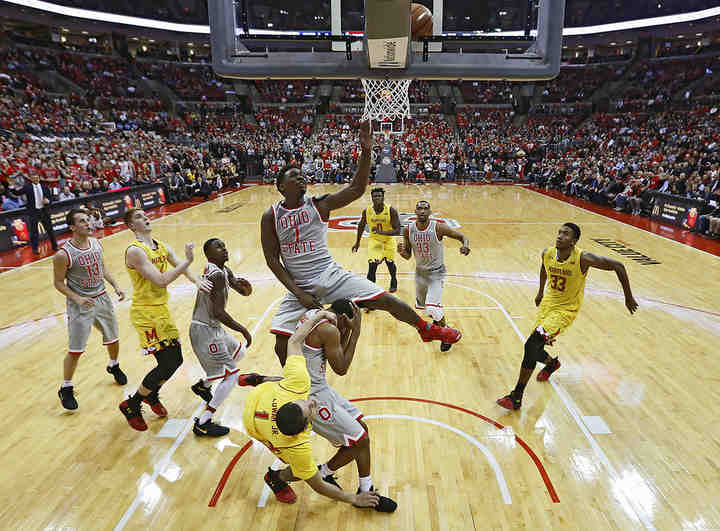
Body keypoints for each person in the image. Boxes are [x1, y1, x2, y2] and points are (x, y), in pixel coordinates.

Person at [261, 121, 461, 367]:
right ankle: (296, 383)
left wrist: (366, 151)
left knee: (386, 300)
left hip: (330, 275)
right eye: (295, 178)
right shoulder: (271, 216)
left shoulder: (318, 205)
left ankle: (425, 328)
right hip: (298, 286)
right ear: (280, 186)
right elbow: (272, 260)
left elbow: (356, 189)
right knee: (281, 345)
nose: (302, 180)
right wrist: (299, 293)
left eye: (303, 177)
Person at [242, 310, 396, 512]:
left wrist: (318, 315)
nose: (312, 403)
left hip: (262, 401)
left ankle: (352, 482)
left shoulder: (297, 384)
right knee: (352, 444)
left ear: (294, 401)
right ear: (306, 428)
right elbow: (318, 486)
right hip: (255, 425)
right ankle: (277, 477)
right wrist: (351, 499)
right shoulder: (297, 446)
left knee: (360, 432)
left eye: (305, 403)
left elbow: (294, 341)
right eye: (311, 410)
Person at [496, 222, 639, 410]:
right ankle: (552, 364)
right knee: (535, 347)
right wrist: (540, 292)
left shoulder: (583, 258)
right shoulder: (547, 253)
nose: (560, 236)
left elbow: (618, 266)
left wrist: (628, 297)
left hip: (566, 310)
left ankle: (516, 396)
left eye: (566, 234)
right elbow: (544, 267)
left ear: (574, 241)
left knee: (531, 344)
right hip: (548, 305)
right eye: (559, 232)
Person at [119, 208, 211, 431]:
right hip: (146, 314)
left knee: (174, 360)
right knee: (169, 362)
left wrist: (197, 281)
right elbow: (161, 280)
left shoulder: (161, 246)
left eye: (145, 214)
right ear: (132, 227)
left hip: (160, 310)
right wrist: (188, 261)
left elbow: (179, 265)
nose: (146, 218)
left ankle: (150, 394)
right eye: (139, 217)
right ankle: (131, 404)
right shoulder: (135, 251)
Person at [299, 299, 394, 508]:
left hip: (318, 386)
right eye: (348, 323)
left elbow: (337, 352)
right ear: (343, 318)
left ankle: (342, 479)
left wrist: (347, 330)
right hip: (312, 396)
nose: (347, 328)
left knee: (362, 430)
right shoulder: (329, 330)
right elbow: (341, 368)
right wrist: (356, 332)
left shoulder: (318, 315)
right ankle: (322, 476)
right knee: (360, 440)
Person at [188, 238, 275, 437]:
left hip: (212, 327)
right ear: (209, 254)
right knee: (232, 375)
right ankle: (203, 422)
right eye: (218, 247)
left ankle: (203, 386)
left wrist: (243, 288)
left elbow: (235, 284)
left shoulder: (223, 271)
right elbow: (218, 311)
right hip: (205, 330)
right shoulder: (217, 274)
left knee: (239, 352)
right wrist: (243, 329)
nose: (224, 249)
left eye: (224, 245)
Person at [52, 209, 127, 410]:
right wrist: (77, 298)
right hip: (80, 304)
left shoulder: (96, 243)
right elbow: (58, 283)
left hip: (101, 297)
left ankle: (114, 365)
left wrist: (116, 285)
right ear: (72, 227)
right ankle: (66, 388)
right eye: (82, 221)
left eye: (88, 220)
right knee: (76, 349)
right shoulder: (63, 254)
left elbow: (103, 269)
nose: (88, 223)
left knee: (113, 338)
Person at [397, 200, 471, 352]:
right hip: (420, 274)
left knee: (433, 308)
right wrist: (401, 251)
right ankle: (438, 328)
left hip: (437, 272)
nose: (422, 211)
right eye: (419, 208)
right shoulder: (408, 230)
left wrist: (465, 246)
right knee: (426, 310)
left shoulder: (438, 227)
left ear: (430, 212)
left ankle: (447, 334)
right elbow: (407, 256)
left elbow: (462, 237)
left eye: (425, 208)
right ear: (415, 211)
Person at [352, 187, 400, 295]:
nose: (377, 198)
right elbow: (361, 225)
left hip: (388, 240)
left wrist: (381, 232)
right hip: (375, 240)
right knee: (372, 266)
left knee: (390, 264)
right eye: (374, 196)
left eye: (379, 195)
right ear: (371, 198)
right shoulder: (367, 211)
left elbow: (397, 230)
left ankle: (393, 279)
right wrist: (357, 242)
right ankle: (370, 292)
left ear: (383, 197)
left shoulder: (391, 210)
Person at [21, 172, 57, 254]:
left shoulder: (44, 187)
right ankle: (35, 249)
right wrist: (11, 186)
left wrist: (48, 201)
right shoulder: (27, 187)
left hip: (44, 211)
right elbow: (17, 193)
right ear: (30, 179)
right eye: (33, 178)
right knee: (34, 232)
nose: (35, 179)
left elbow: (51, 198)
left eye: (37, 178)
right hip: (34, 212)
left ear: (39, 178)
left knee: (50, 230)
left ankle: (55, 246)